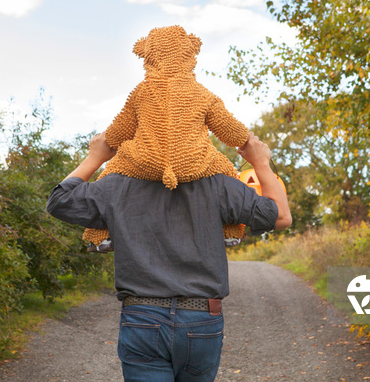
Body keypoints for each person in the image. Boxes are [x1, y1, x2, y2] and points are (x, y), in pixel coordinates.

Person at [46, 131, 291, 381]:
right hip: (201, 317)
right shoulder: (219, 184)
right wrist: (260, 162)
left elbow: (59, 201)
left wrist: (95, 158)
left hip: (141, 316)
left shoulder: (116, 184)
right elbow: (281, 216)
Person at [82, 25, 251, 252]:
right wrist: (246, 137)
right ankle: (229, 232)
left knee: (108, 176)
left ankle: (100, 235)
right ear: (190, 53)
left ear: (147, 55)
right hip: (193, 162)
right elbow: (232, 133)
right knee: (228, 171)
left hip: (145, 161)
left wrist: (105, 141)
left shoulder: (141, 93)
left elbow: (119, 133)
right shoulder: (204, 95)